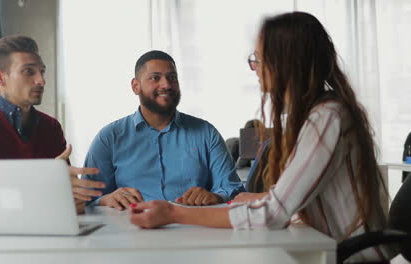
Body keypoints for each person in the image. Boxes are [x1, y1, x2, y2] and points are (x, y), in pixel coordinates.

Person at [129, 12, 397, 262]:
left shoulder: (328, 117)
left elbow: (273, 215)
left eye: (259, 57)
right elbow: (290, 200)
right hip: (322, 249)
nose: (254, 66)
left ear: (284, 62)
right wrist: (263, 199)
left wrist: (175, 213)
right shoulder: (315, 115)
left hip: (353, 257)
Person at [0, 35, 104, 213]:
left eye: (42, 71)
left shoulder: (51, 127)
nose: (41, 80)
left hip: (39, 224)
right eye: (28, 71)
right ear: (0, 78)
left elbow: (64, 195)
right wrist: (44, 181)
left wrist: (73, 199)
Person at [82, 50, 244, 210]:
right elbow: (85, 199)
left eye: (172, 78)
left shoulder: (206, 133)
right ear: (136, 86)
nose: (166, 84)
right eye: (155, 78)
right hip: (131, 229)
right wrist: (105, 200)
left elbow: (233, 188)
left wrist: (216, 197)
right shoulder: (109, 137)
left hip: (193, 228)